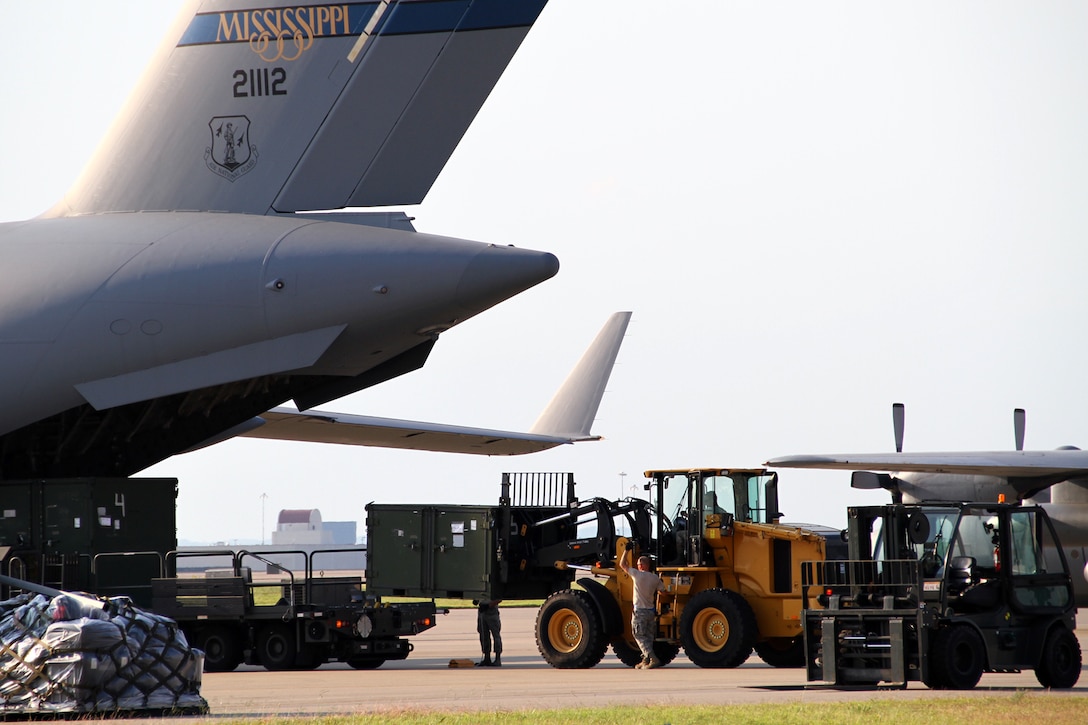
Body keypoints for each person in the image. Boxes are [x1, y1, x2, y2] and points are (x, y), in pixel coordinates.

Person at [619, 547, 665, 669]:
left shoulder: (637, 575)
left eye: (638, 564)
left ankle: (653, 658)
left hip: (640, 611)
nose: (637, 566)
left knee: (638, 635)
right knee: (648, 637)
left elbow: (622, 564)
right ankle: (645, 660)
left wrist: (626, 551)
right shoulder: (655, 578)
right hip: (650, 611)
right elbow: (663, 592)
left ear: (642, 566)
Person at [474, 598, 502, 667]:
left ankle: (497, 659)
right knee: (483, 635)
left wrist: (488, 605)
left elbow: (499, 599)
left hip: (492, 612)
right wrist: (476, 600)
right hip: (482, 612)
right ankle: (487, 658)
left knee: (496, 636)